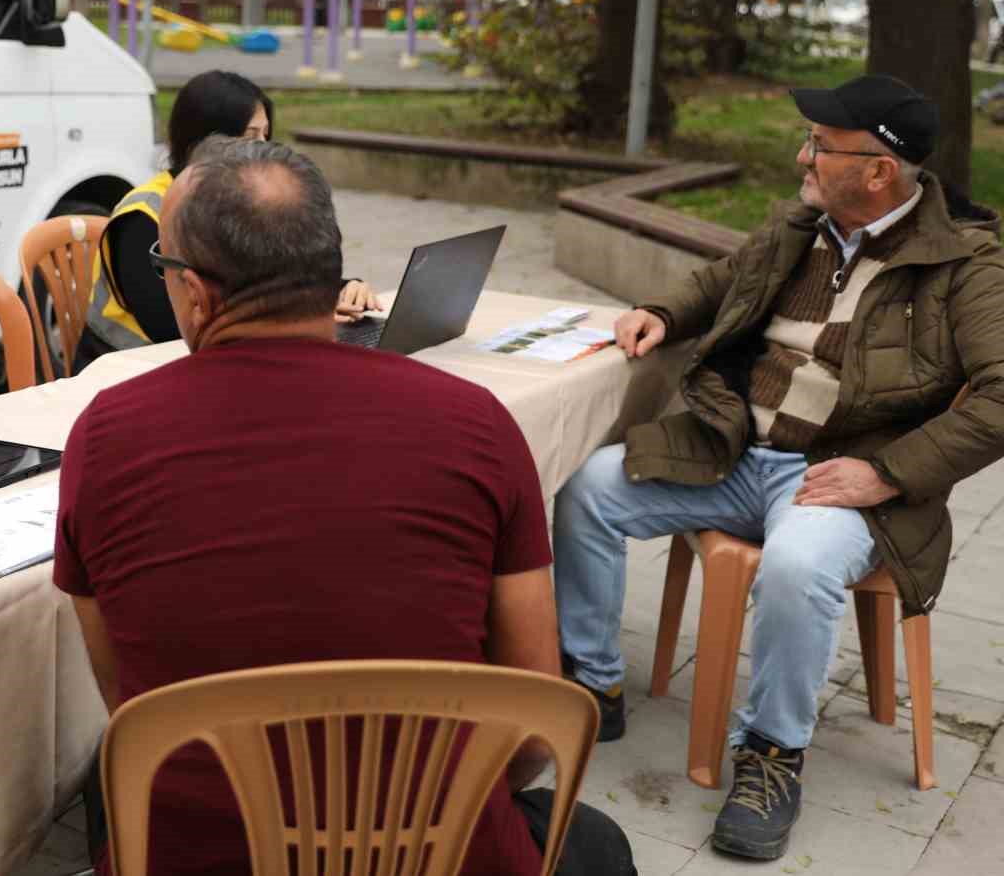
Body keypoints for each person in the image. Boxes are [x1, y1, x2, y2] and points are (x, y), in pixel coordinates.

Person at [55, 136, 635, 876]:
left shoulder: (104, 436)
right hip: (442, 854)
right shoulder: (479, 423)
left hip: (202, 856)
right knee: (591, 841)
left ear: (196, 295)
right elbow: (531, 721)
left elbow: (127, 701)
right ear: (329, 270)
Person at [553, 74, 1004, 861]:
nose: (801, 154)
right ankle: (595, 683)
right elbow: (723, 281)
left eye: (819, 146)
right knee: (589, 487)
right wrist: (661, 313)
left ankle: (770, 755)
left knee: (796, 566)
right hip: (736, 449)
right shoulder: (805, 223)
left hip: (846, 473)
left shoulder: (966, 263)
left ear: (879, 171)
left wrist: (889, 473)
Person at [75, 69, 379, 371]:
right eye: (250, 136)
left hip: (216, 365)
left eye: (265, 135)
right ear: (204, 140)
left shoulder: (247, 203)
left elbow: (274, 278)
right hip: (122, 370)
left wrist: (335, 292)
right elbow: (170, 325)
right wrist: (298, 316)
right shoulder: (142, 216)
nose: (263, 148)